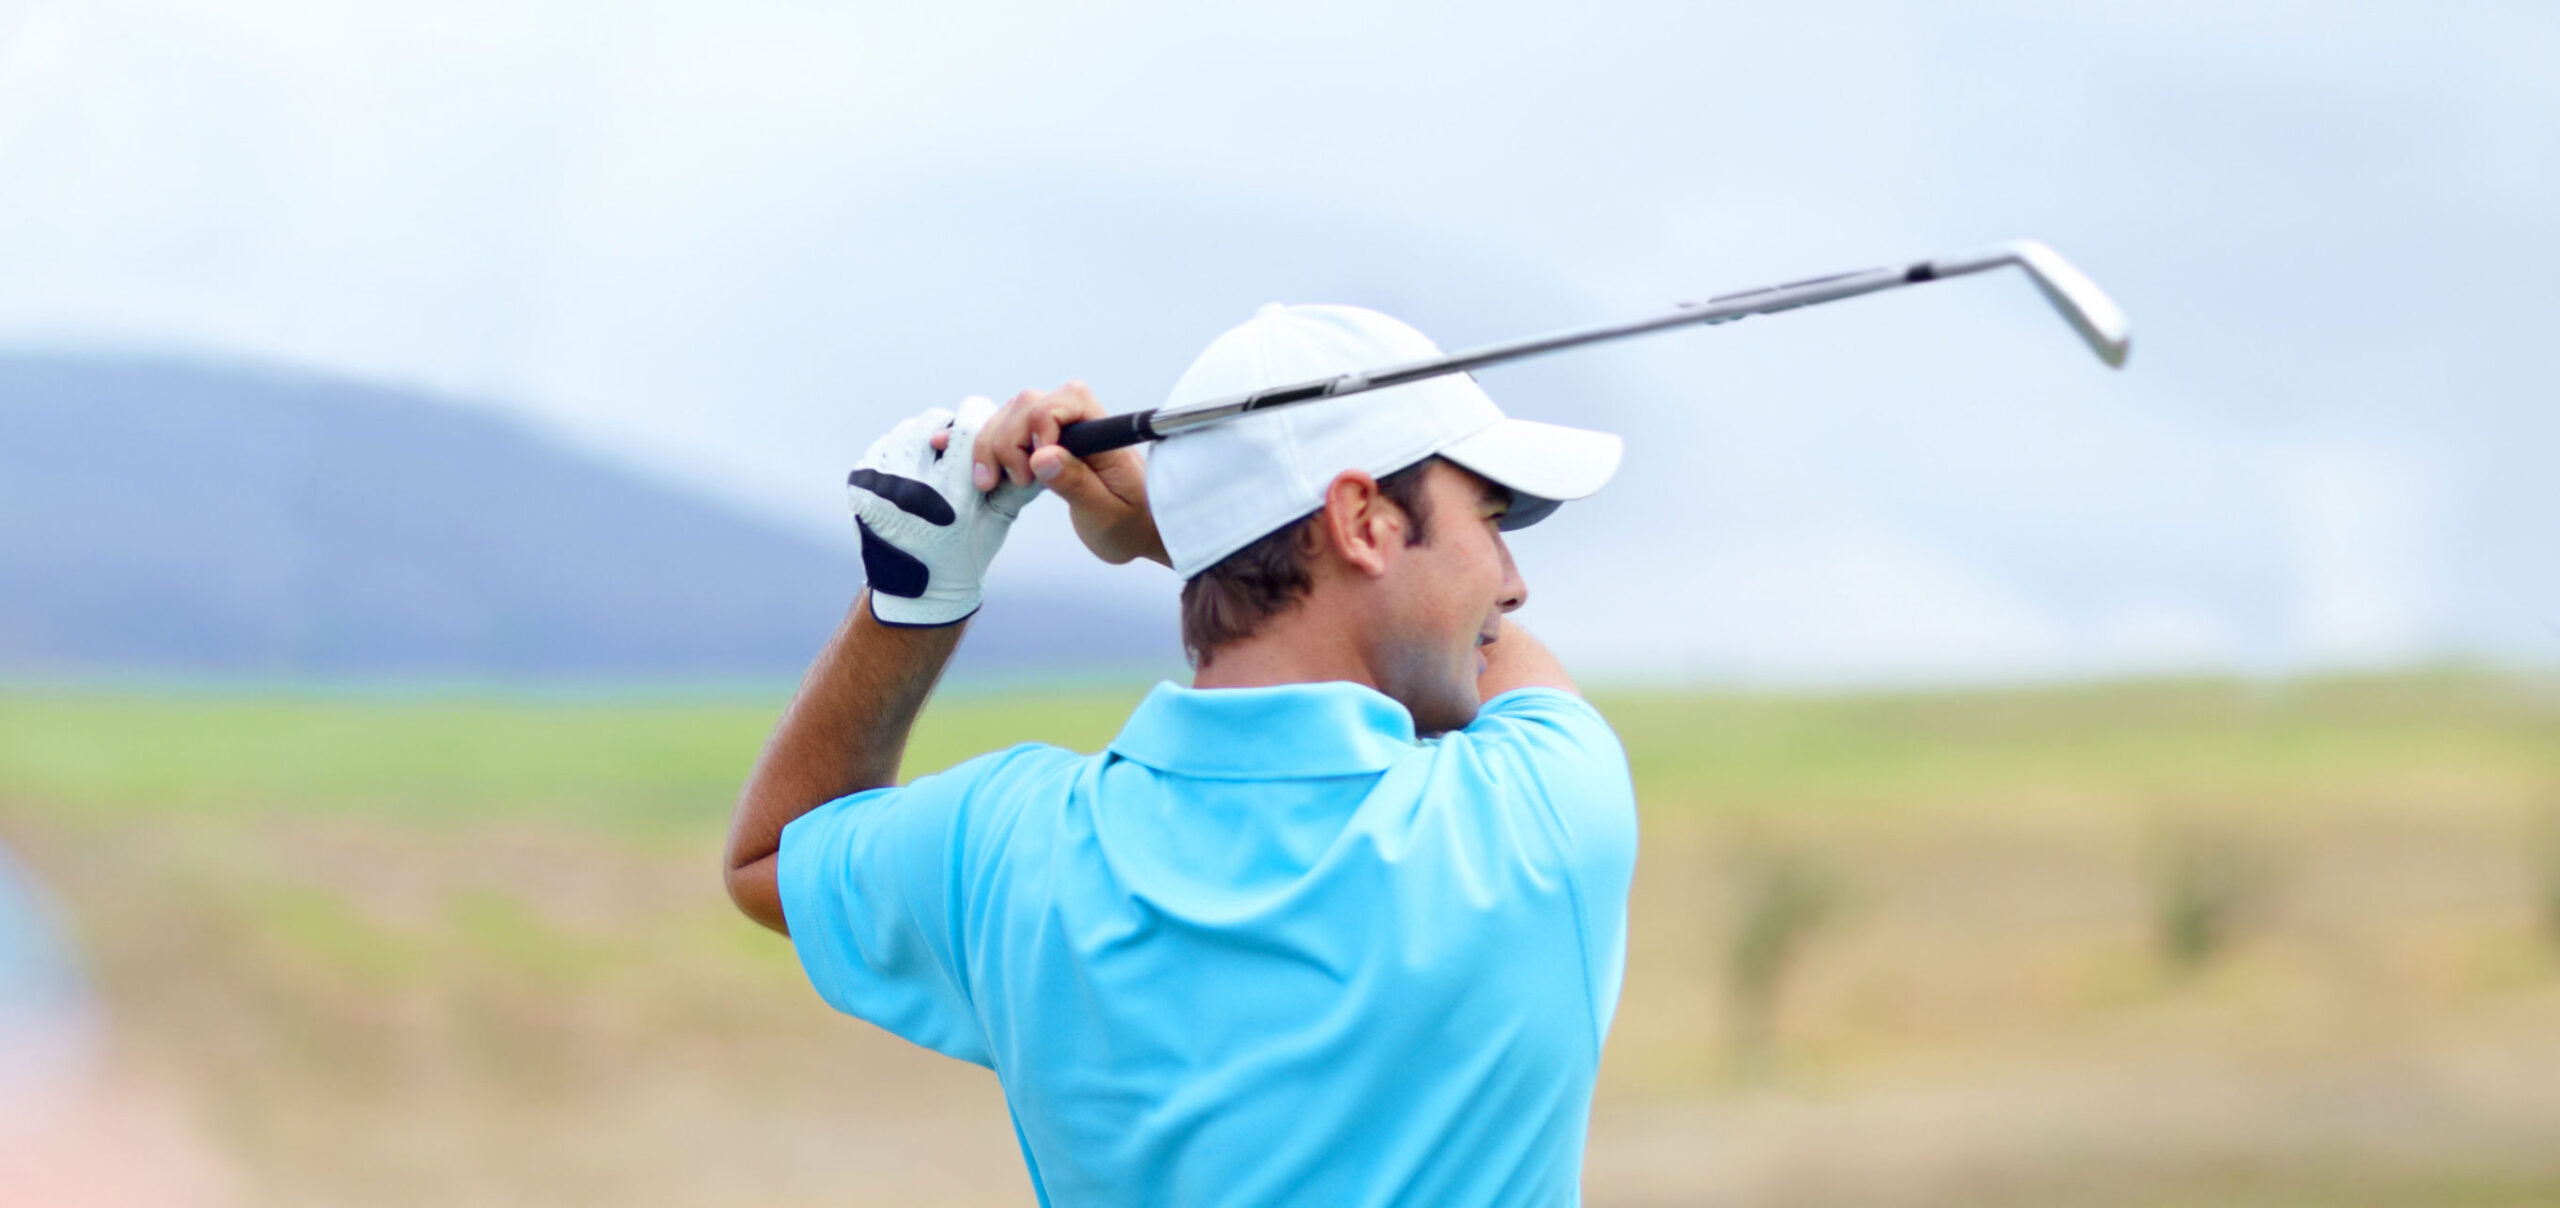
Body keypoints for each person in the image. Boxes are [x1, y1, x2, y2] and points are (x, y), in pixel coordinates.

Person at [724, 302, 1636, 1206]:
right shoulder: (1543, 812)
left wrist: (918, 594)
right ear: (1362, 519)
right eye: (1487, 517)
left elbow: (772, 856)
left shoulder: (1008, 847)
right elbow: (1490, 659)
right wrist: (1173, 528)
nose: (1512, 585)